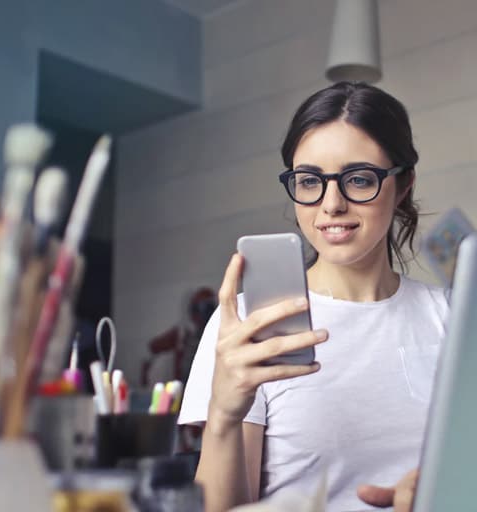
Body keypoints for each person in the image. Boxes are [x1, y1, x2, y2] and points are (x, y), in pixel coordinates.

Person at [178, 82, 449, 512]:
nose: (331, 204)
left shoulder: (453, 317)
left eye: (359, 179)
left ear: (403, 186)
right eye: (310, 181)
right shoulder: (251, 324)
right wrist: (225, 416)